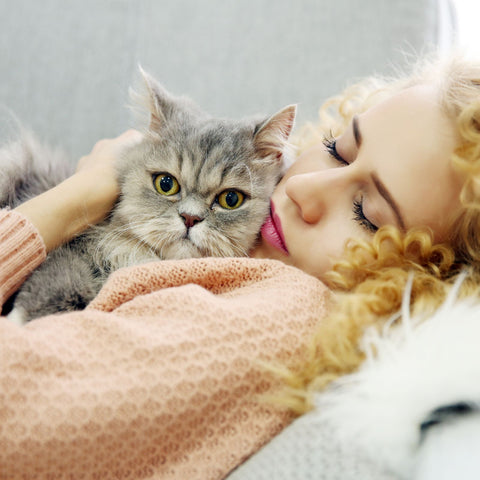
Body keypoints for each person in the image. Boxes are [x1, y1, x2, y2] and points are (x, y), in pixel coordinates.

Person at [1, 54, 479, 479]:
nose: (301, 189)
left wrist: (67, 204)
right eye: (337, 149)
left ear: (419, 277)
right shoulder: (251, 255)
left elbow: (15, 410)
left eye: (367, 215)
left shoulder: (276, 315)